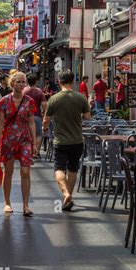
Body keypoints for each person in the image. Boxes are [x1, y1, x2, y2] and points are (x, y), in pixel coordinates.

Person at [43, 70, 91, 211]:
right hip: (77, 140)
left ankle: (66, 194)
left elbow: (46, 119)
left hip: (60, 141)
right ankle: (69, 198)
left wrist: (45, 128)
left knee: (59, 169)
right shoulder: (81, 98)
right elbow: (88, 118)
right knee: (73, 169)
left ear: (59, 81)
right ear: (73, 81)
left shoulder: (54, 99)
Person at [0, 71, 36, 216]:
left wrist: (34, 143)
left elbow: (31, 123)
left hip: (24, 138)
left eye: (23, 82)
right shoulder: (4, 102)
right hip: (8, 140)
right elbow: (0, 125)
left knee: (25, 171)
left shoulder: (29, 101)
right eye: (18, 81)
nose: (21, 84)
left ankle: (25, 205)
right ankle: (7, 203)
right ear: (12, 83)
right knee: (9, 172)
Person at [23, 74, 46, 158]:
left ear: (27, 81)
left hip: (24, 116)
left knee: (27, 134)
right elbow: (44, 104)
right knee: (39, 134)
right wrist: (43, 113)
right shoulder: (39, 92)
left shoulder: (23, 91)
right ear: (36, 81)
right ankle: (36, 152)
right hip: (37, 115)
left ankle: (27, 151)